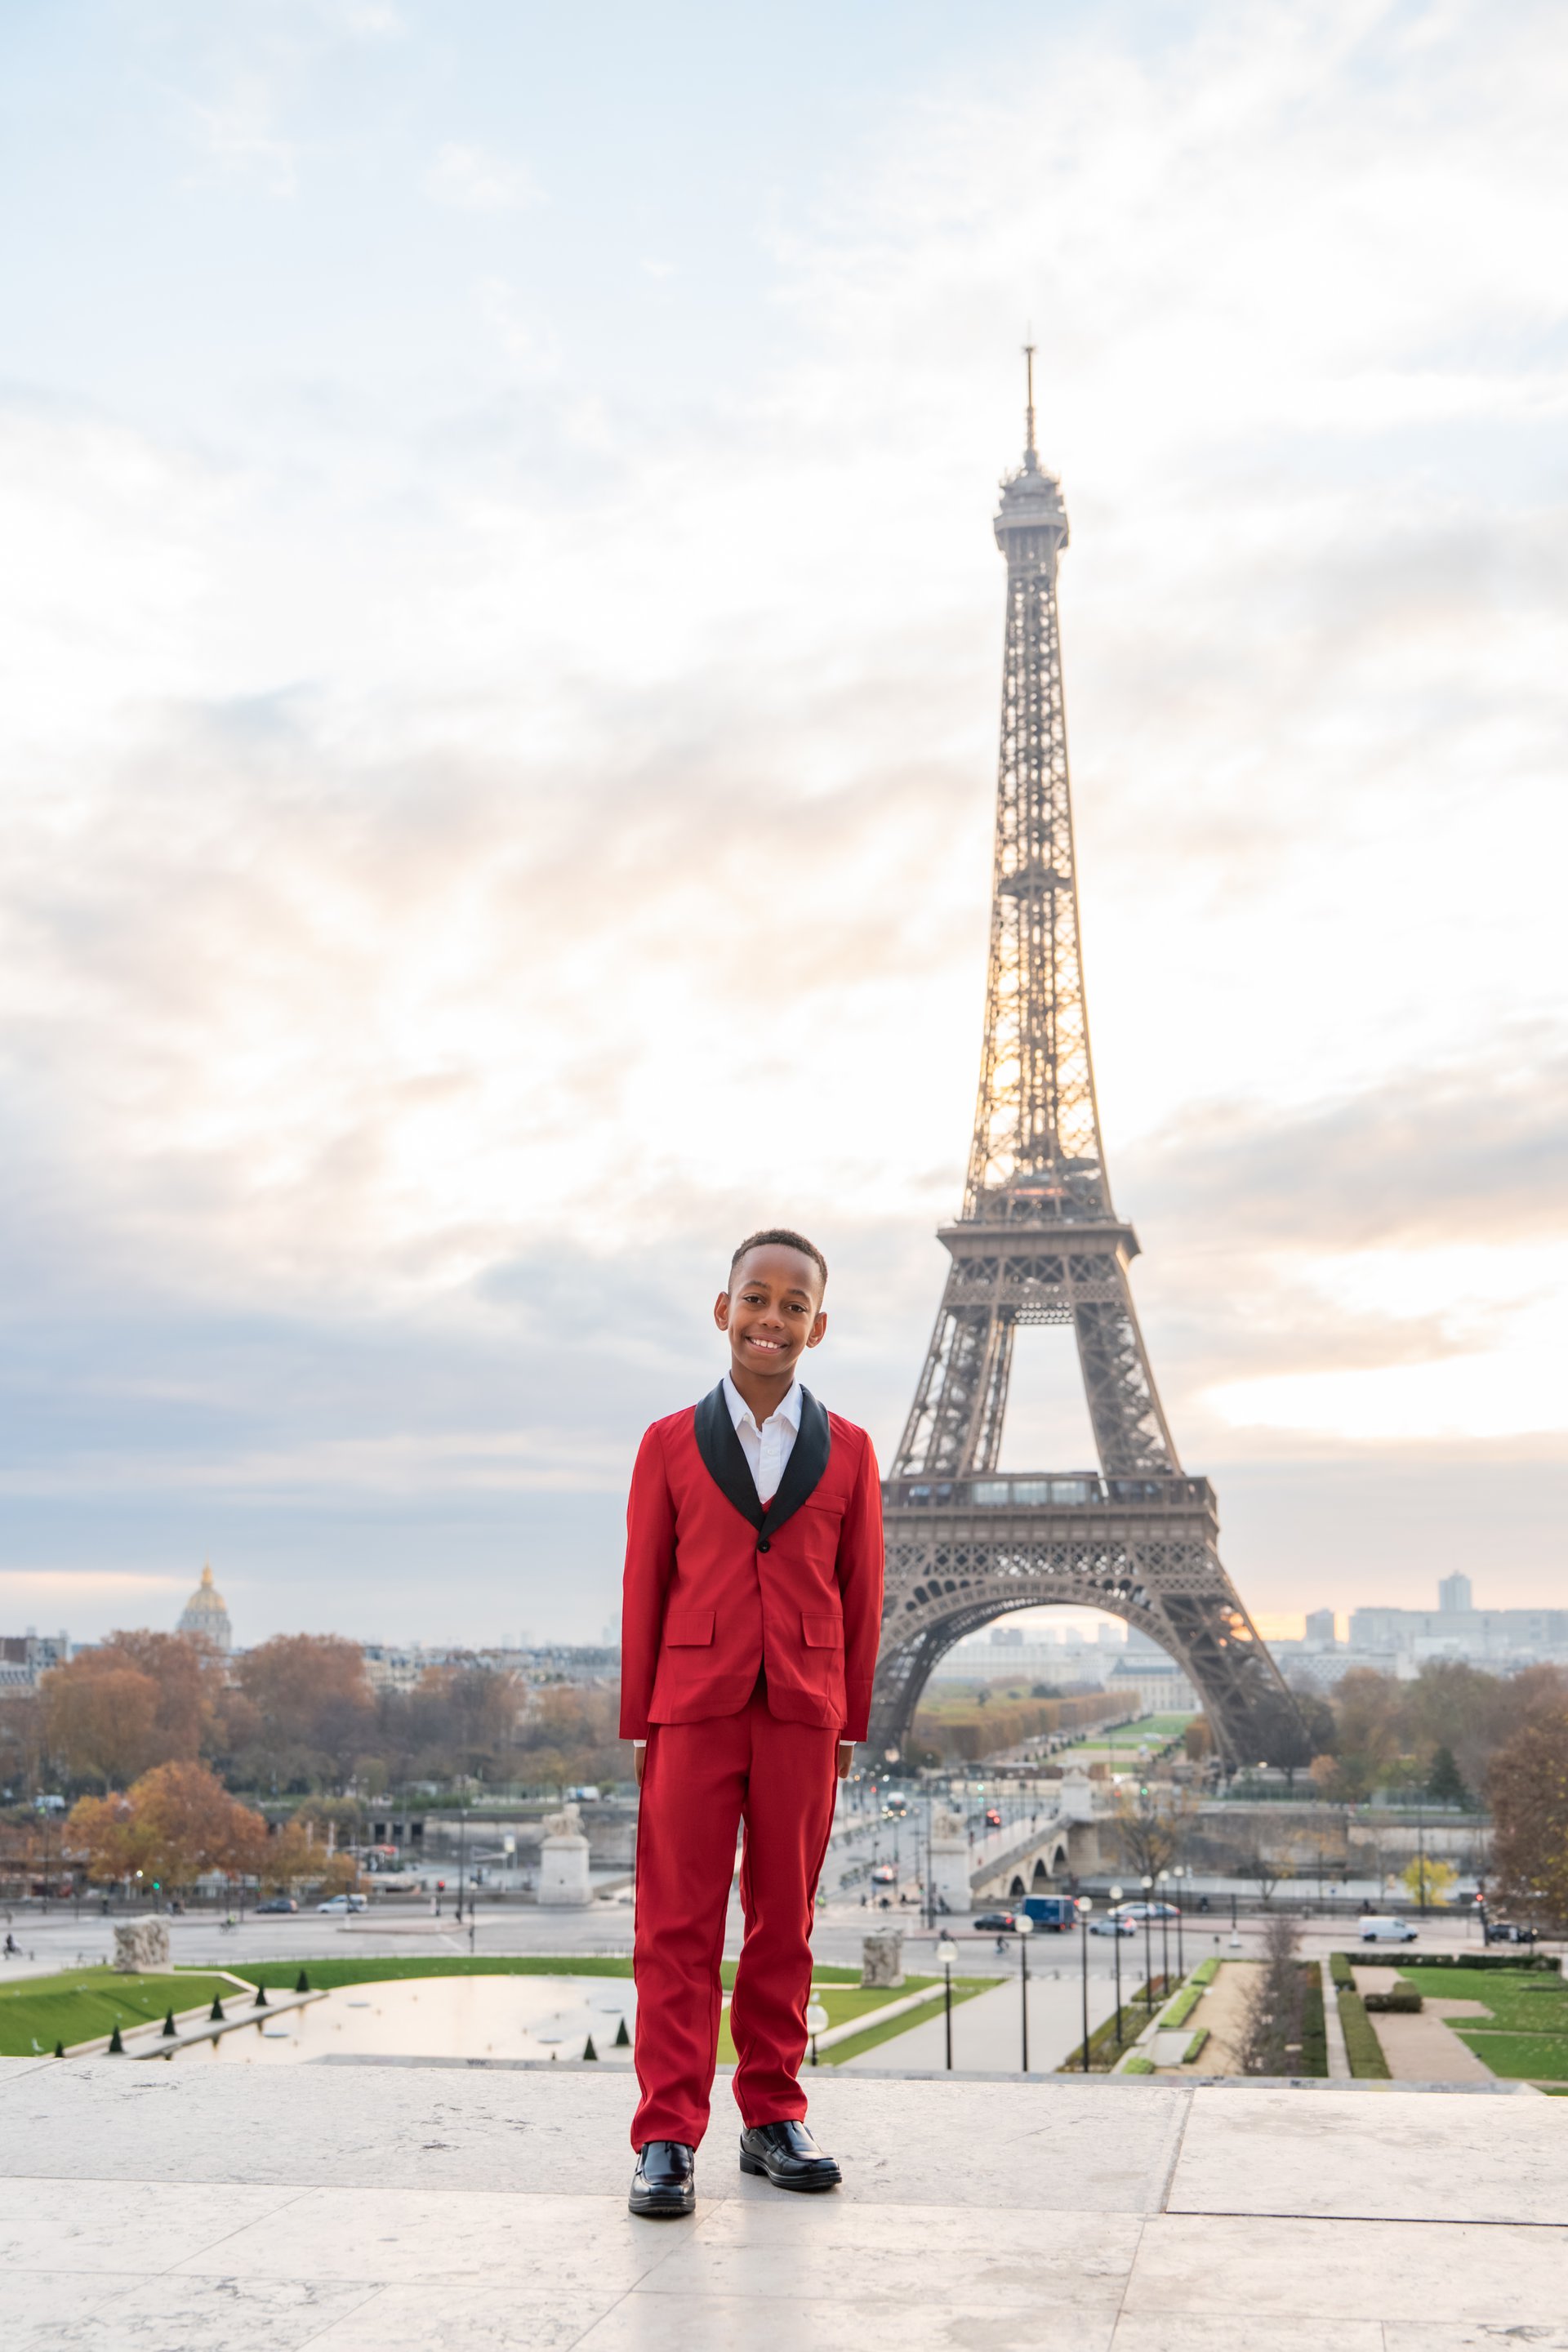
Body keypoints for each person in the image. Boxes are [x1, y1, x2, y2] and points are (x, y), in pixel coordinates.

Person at [620, 1228, 883, 2218]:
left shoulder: (852, 1451)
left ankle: (772, 2113)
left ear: (820, 1325)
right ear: (722, 1308)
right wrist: (639, 1723)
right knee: (675, 1927)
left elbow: (862, 1592)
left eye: (793, 1305)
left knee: (786, 1923)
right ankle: (666, 2133)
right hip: (691, 1709)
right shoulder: (665, 1443)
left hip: (803, 1711)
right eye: (757, 1298)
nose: (772, 1318)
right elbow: (645, 1584)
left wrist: (849, 1723)